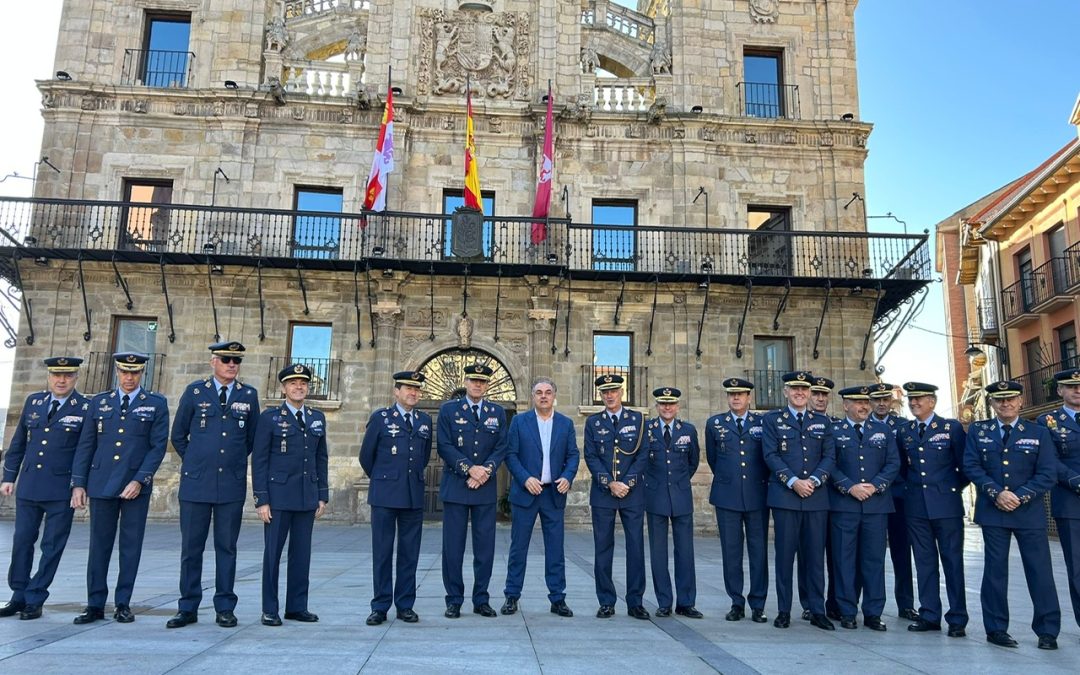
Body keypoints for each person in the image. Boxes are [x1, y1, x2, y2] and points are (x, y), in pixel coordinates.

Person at [166, 341, 259, 629]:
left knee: (226, 548)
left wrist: (228, 464)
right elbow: (179, 435)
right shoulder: (195, 392)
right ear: (213, 362)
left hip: (229, 486)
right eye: (226, 359)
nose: (232, 364)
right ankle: (188, 606)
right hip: (196, 484)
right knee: (191, 548)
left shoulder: (248, 395)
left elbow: (251, 440)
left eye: (236, 360)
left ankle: (225, 607)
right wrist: (196, 461)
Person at [71, 352, 169, 624]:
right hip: (101, 483)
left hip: (135, 487)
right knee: (99, 546)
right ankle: (94, 604)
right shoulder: (99, 403)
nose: (129, 378)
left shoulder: (156, 404)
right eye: (125, 372)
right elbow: (86, 445)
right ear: (117, 372)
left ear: (142, 374)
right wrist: (78, 483)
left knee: (130, 546)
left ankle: (123, 603)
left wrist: (140, 480)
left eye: (135, 373)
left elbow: (157, 447)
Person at [964, 380, 1060, 650]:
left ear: (1020, 401)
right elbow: (971, 465)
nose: (1005, 404)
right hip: (993, 511)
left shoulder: (1038, 432)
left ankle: (1048, 630)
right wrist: (997, 493)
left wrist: (1021, 495)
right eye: (999, 400)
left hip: (1028, 511)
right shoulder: (978, 431)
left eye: (1010, 399)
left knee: (1040, 571)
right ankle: (995, 629)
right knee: (995, 572)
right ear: (992, 403)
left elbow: (1048, 472)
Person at [0, 357, 89, 620]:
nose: (61, 380)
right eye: (56, 375)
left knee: (52, 546)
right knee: (22, 541)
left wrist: (78, 485)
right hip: (29, 485)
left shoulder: (84, 407)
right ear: (49, 376)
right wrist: (9, 476)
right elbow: (18, 444)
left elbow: (84, 451)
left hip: (61, 489)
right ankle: (18, 594)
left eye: (68, 376)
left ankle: (36, 596)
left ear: (76, 378)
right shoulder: (34, 402)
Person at [251, 364, 329, 627]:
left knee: (301, 554)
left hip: (307, 496)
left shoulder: (317, 418)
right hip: (278, 497)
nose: (299, 387)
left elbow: (321, 458)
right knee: (273, 554)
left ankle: (297, 606)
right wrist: (261, 499)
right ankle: (270, 608)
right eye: (293, 383)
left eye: (303, 383)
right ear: (283, 388)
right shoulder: (270, 418)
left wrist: (322, 494)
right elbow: (259, 460)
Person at [762, 370, 836, 630]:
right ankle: (784, 610)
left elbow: (829, 457)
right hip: (785, 497)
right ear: (786, 392)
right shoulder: (772, 420)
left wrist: (813, 481)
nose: (800, 393)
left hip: (816, 498)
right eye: (795, 389)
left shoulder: (823, 422)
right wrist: (793, 482)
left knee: (815, 558)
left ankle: (816, 609)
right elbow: (770, 455)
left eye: (804, 390)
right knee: (784, 557)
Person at [359, 370, 432, 626]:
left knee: (409, 553)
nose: (413, 393)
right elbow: (366, 457)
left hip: (412, 495)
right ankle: (379, 606)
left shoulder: (424, 421)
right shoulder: (380, 418)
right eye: (407, 388)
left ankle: (405, 605)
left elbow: (422, 458)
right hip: (385, 496)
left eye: (417, 389)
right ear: (396, 392)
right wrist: (383, 478)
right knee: (382, 552)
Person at [501, 377, 579, 617]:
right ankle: (511, 596)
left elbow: (573, 455)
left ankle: (558, 599)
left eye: (547, 392)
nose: (543, 396)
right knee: (518, 548)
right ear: (533, 396)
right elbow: (510, 455)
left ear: (554, 395)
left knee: (555, 549)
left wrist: (567, 476)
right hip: (526, 493)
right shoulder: (519, 422)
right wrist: (525, 478)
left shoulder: (565, 424)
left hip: (553, 494)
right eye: (538, 392)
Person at [436, 363, 508, 619]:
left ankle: (481, 599)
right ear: (466, 382)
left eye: (483, 381)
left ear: (487, 385)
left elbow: (501, 446)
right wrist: (469, 469)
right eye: (474, 381)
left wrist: (485, 470)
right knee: (453, 549)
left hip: (484, 489)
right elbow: (443, 445)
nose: (478, 385)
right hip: (456, 487)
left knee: (485, 548)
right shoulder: (448, 410)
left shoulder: (496, 412)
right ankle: (454, 600)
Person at [900, 381, 969, 638]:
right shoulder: (904, 431)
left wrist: (948, 489)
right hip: (916, 506)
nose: (914, 403)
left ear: (933, 401)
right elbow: (902, 469)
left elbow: (965, 467)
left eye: (920, 399)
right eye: (911, 399)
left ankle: (958, 617)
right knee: (924, 563)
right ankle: (929, 614)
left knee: (952, 562)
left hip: (947, 506)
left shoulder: (951, 428)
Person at [828, 386, 899, 631]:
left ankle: (873, 612)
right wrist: (849, 487)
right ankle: (847, 611)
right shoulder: (834, 431)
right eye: (857, 402)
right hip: (844, 506)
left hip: (875, 505)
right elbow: (830, 463)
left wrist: (875, 486)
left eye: (865, 402)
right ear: (845, 405)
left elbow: (893, 463)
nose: (864, 406)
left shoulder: (884, 430)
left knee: (874, 561)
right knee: (843, 560)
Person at [585, 374, 649, 619]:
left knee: (635, 548)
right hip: (603, 494)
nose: (609, 396)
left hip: (632, 494)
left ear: (621, 392)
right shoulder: (593, 423)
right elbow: (590, 456)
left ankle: (635, 602)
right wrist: (609, 483)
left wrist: (626, 483)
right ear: (600, 395)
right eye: (604, 392)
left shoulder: (638, 419)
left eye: (613, 391)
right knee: (603, 548)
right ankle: (606, 601)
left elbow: (643, 455)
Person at [706, 377, 768, 624]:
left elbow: (766, 458)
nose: (736, 398)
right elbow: (713, 459)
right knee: (731, 552)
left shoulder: (761, 423)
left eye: (741, 394)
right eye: (732, 394)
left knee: (758, 551)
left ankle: (758, 603)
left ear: (749, 397)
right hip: (727, 496)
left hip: (757, 496)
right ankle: (736, 602)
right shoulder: (715, 423)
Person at [644, 387, 702, 618]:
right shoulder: (647, 430)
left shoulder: (688, 430)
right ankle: (664, 601)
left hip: (681, 496)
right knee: (658, 553)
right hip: (655, 496)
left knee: (685, 552)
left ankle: (686, 602)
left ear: (677, 406)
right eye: (663, 404)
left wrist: (677, 482)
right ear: (657, 406)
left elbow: (693, 461)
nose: (667, 408)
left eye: (671, 404)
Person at [1037, 368, 1080, 637]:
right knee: (1077, 566)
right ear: (1060, 391)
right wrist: (1075, 480)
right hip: (1070, 501)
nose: (1077, 390)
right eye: (1071, 386)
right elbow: (1049, 460)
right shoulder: (1048, 421)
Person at [869, 382, 917, 621]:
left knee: (901, 553)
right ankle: (867, 605)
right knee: (869, 554)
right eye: (876, 399)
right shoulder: (861, 425)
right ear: (869, 401)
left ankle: (906, 604)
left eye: (885, 399)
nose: (881, 404)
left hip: (898, 496)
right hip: (868, 497)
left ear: (891, 401)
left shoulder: (903, 427)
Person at [805, 375, 840, 621]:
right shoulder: (801, 424)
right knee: (809, 555)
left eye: (823, 395)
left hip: (838, 499)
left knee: (837, 556)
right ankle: (809, 602)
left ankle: (836, 602)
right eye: (815, 394)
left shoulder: (837, 425)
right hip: (809, 497)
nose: (819, 399)